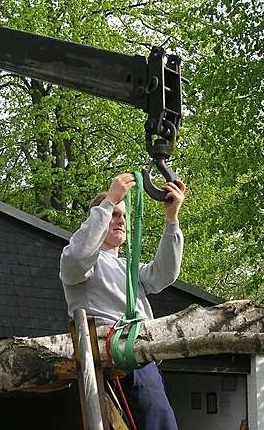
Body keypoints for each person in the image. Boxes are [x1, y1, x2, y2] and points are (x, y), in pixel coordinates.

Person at [60, 173, 186, 430]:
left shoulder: (128, 267)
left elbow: (164, 275)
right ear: (98, 220)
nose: (120, 221)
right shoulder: (85, 260)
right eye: (114, 214)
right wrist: (109, 201)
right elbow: (75, 263)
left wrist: (171, 218)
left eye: (124, 216)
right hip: (111, 358)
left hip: (140, 360)